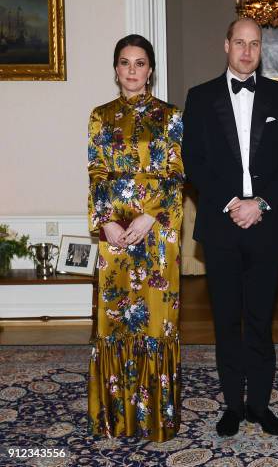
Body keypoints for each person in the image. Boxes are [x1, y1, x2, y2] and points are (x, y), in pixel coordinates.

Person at [182, 18, 278, 437]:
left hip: (267, 225)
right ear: (226, 44)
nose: (247, 51)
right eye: (240, 43)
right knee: (226, 320)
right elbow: (194, 163)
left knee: (259, 319)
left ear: (260, 48)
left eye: (254, 44)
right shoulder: (200, 97)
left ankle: (260, 405)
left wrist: (261, 203)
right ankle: (232, 405)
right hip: (221, 225)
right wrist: (234, 203)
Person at [87, 34, 184, 442]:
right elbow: (96, 173)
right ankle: (114, 418)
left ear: (151, 70)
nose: (132, 70)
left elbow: (176, 176)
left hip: (157, 232)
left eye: (140, 63)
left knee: (156, 324)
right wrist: (106, 223)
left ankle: (155, 420)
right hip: (114, 237)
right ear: (115, 69)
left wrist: (149, 217)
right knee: (114, 324)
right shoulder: (99, 115)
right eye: (125, 62)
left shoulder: (171, 115)